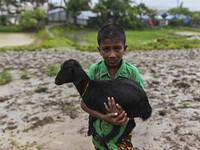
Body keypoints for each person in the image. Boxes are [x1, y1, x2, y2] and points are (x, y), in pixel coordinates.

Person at [80, 24, 144, 150]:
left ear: (124, 48)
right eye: (106, 49)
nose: (112, 55)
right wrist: (105, 117)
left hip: (122, 138)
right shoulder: (95, 71)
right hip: (99, 136)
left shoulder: (132, 73)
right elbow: (84, 103)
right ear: (99, 50)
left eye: (117, 48)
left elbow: (142, 106)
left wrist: (124, 116)